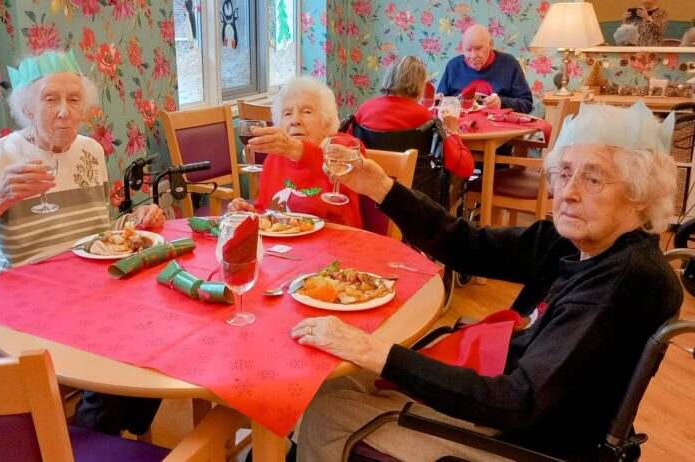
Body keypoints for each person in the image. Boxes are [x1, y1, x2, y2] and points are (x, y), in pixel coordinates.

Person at [290, 100, 681, 461]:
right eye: (563, 173)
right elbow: (466, 246)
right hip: (505, 400)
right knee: (328, 383)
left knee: (327, 411)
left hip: (525, 443)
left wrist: (376, 350)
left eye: (593, 179)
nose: (569, 192)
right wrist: (380, 186)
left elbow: (519, 402)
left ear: (640, 195)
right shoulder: (572, 244)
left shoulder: (624, 282)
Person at [0, 50, 165, 437]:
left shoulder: (90, 151)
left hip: (90, 292)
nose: (63, 112)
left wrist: (132, 222)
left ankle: (120, 427)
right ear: (26, 107)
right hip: (22, 306)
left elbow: (97, 231)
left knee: (158, 321)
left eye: (73, 100)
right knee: (112, 349)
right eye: (50, 99)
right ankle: (95, 436)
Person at [228, 76, 362, 228]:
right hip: (285, 249)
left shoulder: (344, 146)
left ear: (327, 122)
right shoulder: (274, 158)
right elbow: (265, 212)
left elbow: (354, 167)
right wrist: (250, 212)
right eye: (287, 113)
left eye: (306, 111)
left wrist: (296, 150)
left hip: (337, 245)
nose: (295, 120)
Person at [354, 55, 474, 182]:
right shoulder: (425, 118)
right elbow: (465, 167)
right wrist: (452, 132)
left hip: (367, 193)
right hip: (412, 196)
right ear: (420, 86)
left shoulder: (363, 110)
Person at [436, 25, 533, 114]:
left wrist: (502, 103)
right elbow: (439, 102)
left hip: (498, 129)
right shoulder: (454, 66)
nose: (473, 56)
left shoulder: (509, 64)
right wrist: (437, 101)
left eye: (478, 48)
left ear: (491, 44)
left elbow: (527, 104)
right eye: (468, 50)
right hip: (461, 129)